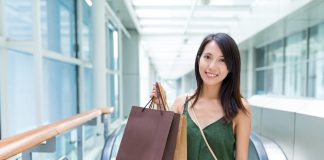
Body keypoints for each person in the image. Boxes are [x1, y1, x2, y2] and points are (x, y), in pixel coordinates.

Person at [151, 33, 251, 160]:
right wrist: (160, 106)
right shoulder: (180, 103)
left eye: (222, 60)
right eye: (207, 57)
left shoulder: (240, 108)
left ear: (231, 67)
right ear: (199, 59)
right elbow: (164, 149)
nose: (212, 66)